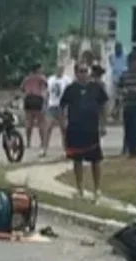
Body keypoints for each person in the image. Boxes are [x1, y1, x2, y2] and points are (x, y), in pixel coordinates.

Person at [59, 63, 109, 202]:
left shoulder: (96, 87)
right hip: (75, 129)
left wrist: (103, 124)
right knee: (77, 160)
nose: (84, 74)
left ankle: (97, 189)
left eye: (86, 71)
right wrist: (63, 123)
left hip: (92, 129)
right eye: (81, 71)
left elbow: (104, 104)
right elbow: (62, 106)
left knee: (96, 160)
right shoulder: (70, 89)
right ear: (76, 73)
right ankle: (79, 188)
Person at [41, 64, 71, 157]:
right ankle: (44, 149)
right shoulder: (50, 79)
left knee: (64, 129)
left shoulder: (67, 80)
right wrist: (45, 104)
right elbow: (47, 92)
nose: (59, 71)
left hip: (62, 106)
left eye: (61, 69)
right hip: (52, 106)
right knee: (48, 128)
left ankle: (66, 149)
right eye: (58, 69)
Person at [19, 63, 47, 149]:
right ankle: (42, 142)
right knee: (41, 122)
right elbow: (44, 89)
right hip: (37, 99)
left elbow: (22, 89)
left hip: (28, 99)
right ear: (38, 69)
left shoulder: (27, 79)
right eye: (41, 68)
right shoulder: (41, 78)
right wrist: (45, 101)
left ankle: (28, 142)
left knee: (28, 121)